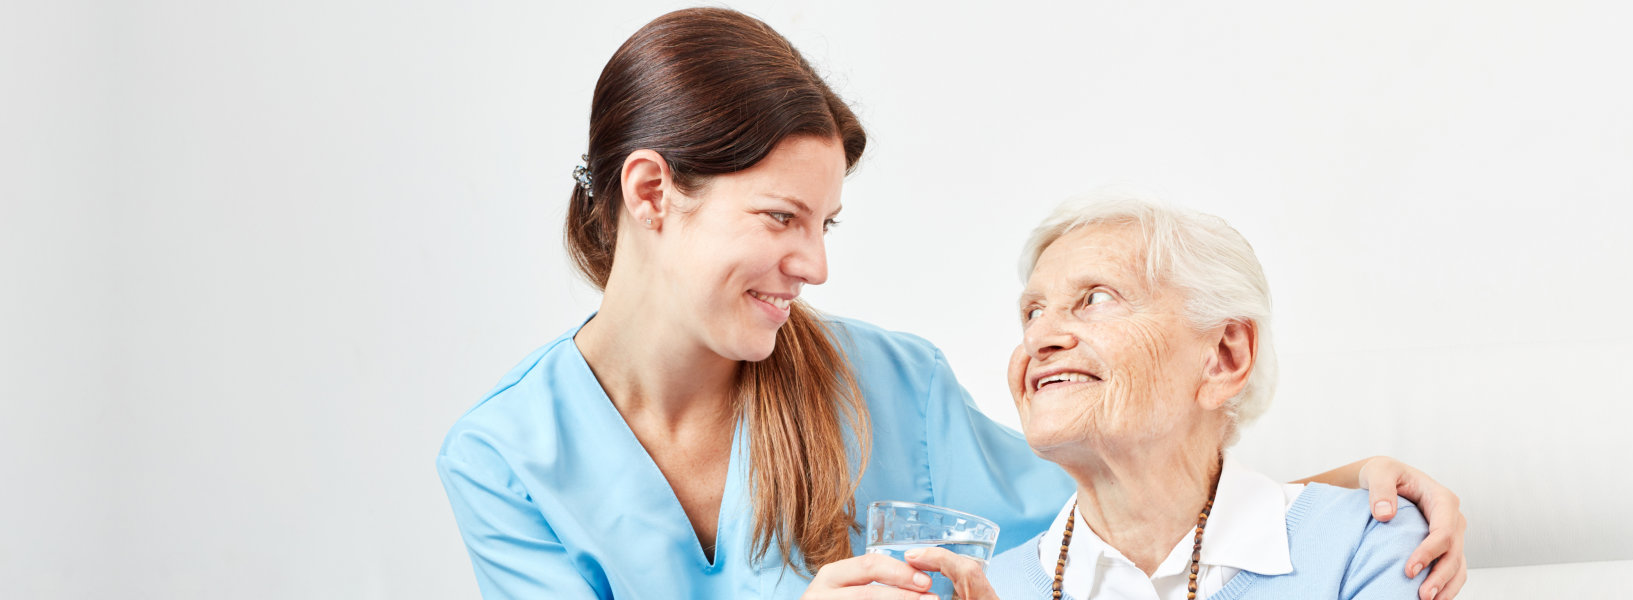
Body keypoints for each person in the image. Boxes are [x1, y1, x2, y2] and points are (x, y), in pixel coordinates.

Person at [436, 8, 1466, 600]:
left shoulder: (890, 383)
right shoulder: (507, 458)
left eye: (826, 227)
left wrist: (1324, 500)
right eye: (782, 218)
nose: (815, 266)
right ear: (654, 193)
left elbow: (1117, 516)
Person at [985, 195, 1434, 600]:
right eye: (1033, 312)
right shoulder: (986, 588)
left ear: (1223, 357)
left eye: (1096, 298)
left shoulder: (1364, 543)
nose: (1038, 338)